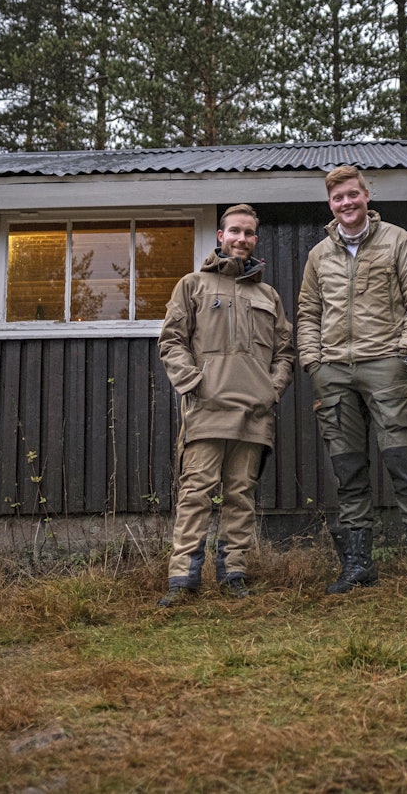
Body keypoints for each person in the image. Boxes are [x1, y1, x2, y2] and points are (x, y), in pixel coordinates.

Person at [297, 165, 407, 596]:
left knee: (405, 463)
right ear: (331, 204)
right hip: (333, 373)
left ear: (366, 195)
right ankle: (359, 566)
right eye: (338, 198)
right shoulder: (318, 255)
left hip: (385, 365)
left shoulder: (398, 241)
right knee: (348, 470)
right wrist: (313, 361)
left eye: (352, 195)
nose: (346, 203)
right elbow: (308, 312)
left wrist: (404, 353)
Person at [157, 204, 295, 607]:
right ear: (220, 236)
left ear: (255, 240)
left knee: (240, 495)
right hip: (206, 408)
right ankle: (182, 579)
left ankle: (234, 573)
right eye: (234, 231)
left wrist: (273, 389)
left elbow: (285, 352)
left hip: (254, 413)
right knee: (195, 493)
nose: (241, 239)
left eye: (249, 233)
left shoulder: (268, 295)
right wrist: (193, 384)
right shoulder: (193, 285)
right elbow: (171, 341)